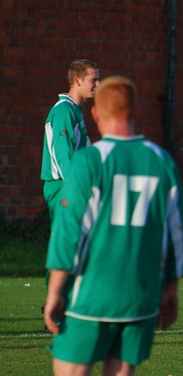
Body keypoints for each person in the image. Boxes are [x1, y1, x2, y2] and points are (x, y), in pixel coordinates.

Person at [44, 76, 183, 375]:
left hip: (91, 295)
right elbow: (175, 232)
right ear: (135, 112)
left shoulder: (89, 160)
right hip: (141, 296)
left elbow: (69, 231)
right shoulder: (162, 161)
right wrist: (171, 287)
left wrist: (55, 289)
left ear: (95, 114)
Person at [40, 58, 100, 330]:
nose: (97, 85)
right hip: (64, 187)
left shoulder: (76, 111)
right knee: (65, 246)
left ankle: (67, 307)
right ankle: (56, 309)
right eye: (93, 80)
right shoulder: (64, 110)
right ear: (77, 81)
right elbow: (63, 157)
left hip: (73, 186)